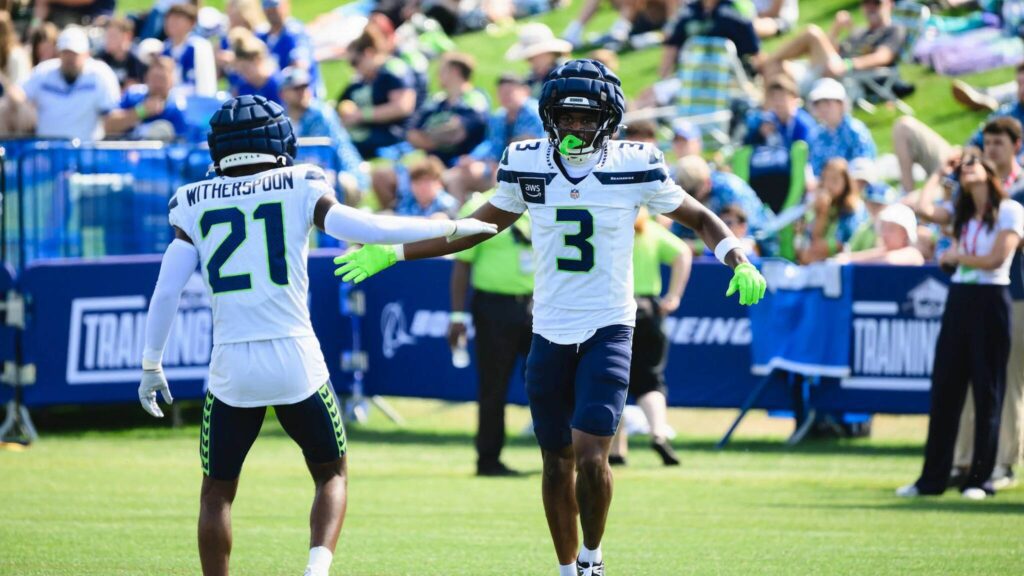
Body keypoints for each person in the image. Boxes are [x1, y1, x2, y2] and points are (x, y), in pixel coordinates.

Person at [333, 59, 767, 576]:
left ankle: (592, 557)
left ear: (610, 118)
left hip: (609, 323)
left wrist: (736, 258)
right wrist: (397, 251)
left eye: (588, 118)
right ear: (548, 116)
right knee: (555, 458)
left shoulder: (636, 163)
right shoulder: (526, 162)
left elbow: (698, 216)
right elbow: (475, 228)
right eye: (566, 116)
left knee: (590, 455)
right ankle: (567, 569)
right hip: (550, 327)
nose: (577, 128)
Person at [135, 95, 497, 576]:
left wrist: (150, 364)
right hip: (294, 354)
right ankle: (316, 570)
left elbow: (166, 293)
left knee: (217, 489)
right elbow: (364, 225)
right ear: (279, 139)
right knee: (331, 472)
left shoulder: (191, 201)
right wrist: (451, 226)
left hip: (230, 364)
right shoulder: (299, 182)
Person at [898, 154, 1024, 500]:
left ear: (989, 170)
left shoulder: (1010, 210)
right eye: (962, 166)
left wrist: (957, 257)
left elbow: (998, 258)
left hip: (991, 299)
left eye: (973, 164)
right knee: (945, 389)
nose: (966, 170)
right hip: (960, 299)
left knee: (987, 390)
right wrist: (939, 172)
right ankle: (932, 479)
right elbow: (924, 209)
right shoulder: (962, 212)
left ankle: (979, 479)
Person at [448, 189, 535, 477]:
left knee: (553, 383)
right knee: (493, 387)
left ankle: (561, 454)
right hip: (494, 306)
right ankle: (488, 459)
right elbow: (463, 262)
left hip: (539, 304)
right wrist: (458, 315)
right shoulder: (480, 203)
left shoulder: (546, 196)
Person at [610, 209, 690, 467]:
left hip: (612, 308)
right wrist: (674, 295)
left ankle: (616, 448)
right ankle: (658, 432)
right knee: (651, 380)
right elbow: (682, 254)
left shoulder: (608, 229)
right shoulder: (650, 231)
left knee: (611, 380)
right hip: (647, 309)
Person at [760, 0, 904, 89]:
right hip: (829, 69)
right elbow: (833, 49)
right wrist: (836, 28)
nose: (870, 7)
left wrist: (847, 64)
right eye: (866, 2)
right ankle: (767, 113)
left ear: (889, 4)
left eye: (876, 2)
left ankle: (762, 62)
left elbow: (883, 57)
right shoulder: (860, 31)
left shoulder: (893, 30)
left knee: (812, 33)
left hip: (847, 75)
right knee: (776, 66)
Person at [8, 26, 120, 141]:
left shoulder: (100, 74)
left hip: (85, 152)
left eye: (74, 54)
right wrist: (22, 107)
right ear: (59, 53)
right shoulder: (44, 71)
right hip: (46, 150)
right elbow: (17, 91)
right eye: (66, 53)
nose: (70, 59)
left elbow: (111, 116)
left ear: (87, 54)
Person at [446, 72, 544, 201]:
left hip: (530, 170)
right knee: (455, 176)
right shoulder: (499, 117)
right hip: (496, 166)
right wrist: (473, 158)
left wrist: (498, 164)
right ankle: (459, 218)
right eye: (501, 92)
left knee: (499, 176)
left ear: (524, 91)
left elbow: (529, 146)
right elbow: (490, 144)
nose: (505, 96)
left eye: (509, 92)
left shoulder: (534, 113)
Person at [279, 66, 368, 200]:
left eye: (305, 87)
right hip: (309, 175)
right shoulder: (282, 119)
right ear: (283, 94)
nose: (302, 92)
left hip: (343, 174)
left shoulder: (321, 114)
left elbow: (318, 156)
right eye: (296, 88)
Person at [336, 25, 417, 160]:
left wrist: (360, 115)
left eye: (355, 62)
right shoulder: (360, 81)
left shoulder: (393, 69)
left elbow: (403, 107)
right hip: (370, 132)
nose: (354, 68)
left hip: (394, 133)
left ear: (368, 53)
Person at [406, 52, 490, 168]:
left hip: (462, 164)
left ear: (455, 71)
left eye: (442, 70)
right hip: (433, 165)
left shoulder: (474, 99)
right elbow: (412, 134)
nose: (438, 75)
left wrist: (427, 136)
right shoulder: (437, 100)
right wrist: (440, 136)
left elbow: (457, 133)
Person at [673, 154, 775, 243]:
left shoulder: (730, 190)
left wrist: (697, 246)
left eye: (692, 192)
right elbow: (677, 235)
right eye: (685, 192)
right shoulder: (683, 194)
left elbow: (747, 234)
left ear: (707, 183)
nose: (690, 198)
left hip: (757, 239)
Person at [658, 0, 760, 79]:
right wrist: (664, 80)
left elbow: (754, 54)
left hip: (729, 78)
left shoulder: (734, 12)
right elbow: (670, 49)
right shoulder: (686, 13)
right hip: (690, 78)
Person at [104, 56, 187, 141]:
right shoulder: (133, 96)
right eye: (155, 78)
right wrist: (141, 111)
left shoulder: (177, 107)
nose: (158, 84)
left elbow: (183, 143)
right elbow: (109, 127)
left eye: (162, 79)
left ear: (171, 82)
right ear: (146, 78)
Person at [801, 158, 868, 263]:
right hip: (822, 256)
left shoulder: (854, 208)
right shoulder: (820, 204)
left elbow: (852, 240)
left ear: (846, 181)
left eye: (834, 180)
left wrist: (831, 246)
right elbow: (815, 237)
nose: (829, 185)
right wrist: (822, 212)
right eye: (826, 179)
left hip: (848, 255)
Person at [806, 78, 877, 177]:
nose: (823, 108)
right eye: (818, 104)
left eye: (827, 103)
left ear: (841, 104)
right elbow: (812, 166)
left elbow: (864, 165)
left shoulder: (855, 130)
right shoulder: (816, 135)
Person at [259, 0, 324, 99]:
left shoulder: (294, 33)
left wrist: (271, 75)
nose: (271, 11)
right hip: (276, 98)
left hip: (300, 101)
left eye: (274, 5)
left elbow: (300, 67)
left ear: (286, 5)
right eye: (267, 6)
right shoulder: (262, 35)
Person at [834, 203, 924, 265]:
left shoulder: (914, 254)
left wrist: (850, 260)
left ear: (905, 233)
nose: (884, 234)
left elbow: (888, 260)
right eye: (883, 228)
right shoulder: (881, 253)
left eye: (890, 229)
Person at [744, 75, 815, 148]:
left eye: (782, 97)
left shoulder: (803, 124)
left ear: (793, 98)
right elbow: (747, 144)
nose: (778, 103)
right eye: (774, 98)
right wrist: (760, 133)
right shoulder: (768, 119)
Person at [162, 3, 217, 97]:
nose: (171, 22)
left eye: (177, 19)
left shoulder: (199, 46)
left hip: (194, 102)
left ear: (191, 23)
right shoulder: (165, 48)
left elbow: (206, 85)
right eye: (169, 18)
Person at [504, 22, 573, 98]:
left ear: (546, 52)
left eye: (531, 56)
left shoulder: (566, 73)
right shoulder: (533, 77)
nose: (528, 61)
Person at [228, 30, 283, 104]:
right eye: (240, 71)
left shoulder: (278, 85)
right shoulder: (242, 87)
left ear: (258, 60)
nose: (244, 75)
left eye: (246, 68)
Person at [394, 157, 459, 218]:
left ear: (439, 183)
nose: (422, 187)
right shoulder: (407, 202)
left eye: (427, 181)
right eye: (417, 182)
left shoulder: (447, 204)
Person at [98, 17, 147, 90]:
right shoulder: (102, 58)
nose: (108, 41)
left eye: (113, 36)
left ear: (127, 36)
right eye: (107, 36)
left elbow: (132, 89)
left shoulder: (137, 60)